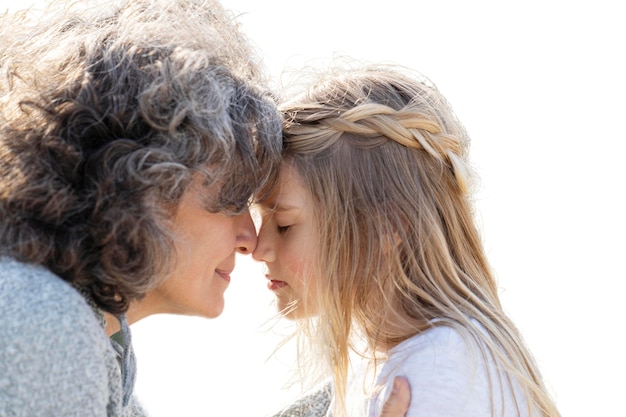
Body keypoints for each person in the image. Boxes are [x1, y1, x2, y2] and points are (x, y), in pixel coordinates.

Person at [0, 0, 282, 415]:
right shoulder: (43, 319)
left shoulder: (102, 332)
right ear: (139, 183)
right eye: (232, 199)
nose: (250, 239)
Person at [253, 64, 562, 417]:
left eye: (284, 224)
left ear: (385, 227)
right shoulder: (386, 362)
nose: (258, 249)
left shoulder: (440, 370)